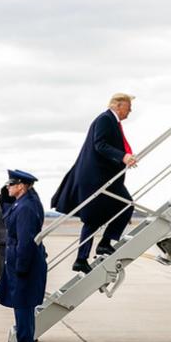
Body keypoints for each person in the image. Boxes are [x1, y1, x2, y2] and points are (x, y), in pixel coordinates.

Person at [51, 93, 137, 273]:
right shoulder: (106, 119)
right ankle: (104, 244)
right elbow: (100, 144)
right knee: (126, 205)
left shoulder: (110, 121)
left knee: (94, 219)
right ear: (118, 105)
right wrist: (123, 156)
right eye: (128, 107)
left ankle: (82, 259)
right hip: (98, 178)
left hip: (101, 178)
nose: (130, 111)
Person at [0, 170, 47, 342]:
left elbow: (26, 241)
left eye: (11, 184)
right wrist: (6, 193)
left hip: (24, 264)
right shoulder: (24, 202)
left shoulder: (26, 207)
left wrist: (21, 267)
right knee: (23, 305)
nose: (7, 187)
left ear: (21, 186)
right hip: (22, 263)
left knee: (23, 306)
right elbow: (8, 215)